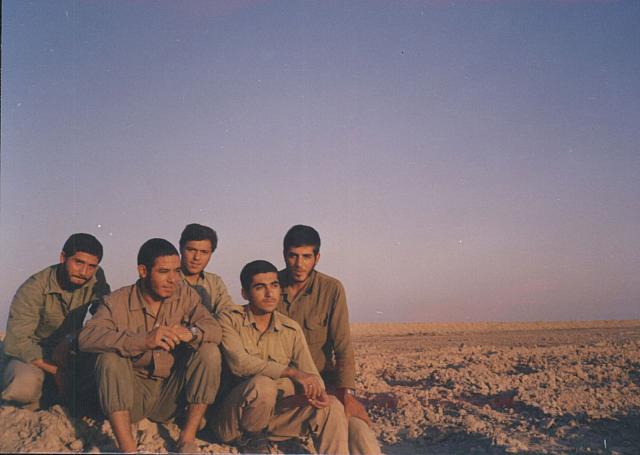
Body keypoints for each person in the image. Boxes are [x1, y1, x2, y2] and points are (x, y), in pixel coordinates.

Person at [78, 238, 222, 454]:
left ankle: (186, 438)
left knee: (209, 351)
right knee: (109, 358)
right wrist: (143, 340)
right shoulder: (116, 301)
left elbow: (214, 328)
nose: (172, 279)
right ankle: (128, 449)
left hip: (169, 395)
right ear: (143, 271)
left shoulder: (185, 295)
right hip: (131, 396)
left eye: (177, 271)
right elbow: (87, 337)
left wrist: (191, 333)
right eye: (163, 272)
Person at [210, 260, 348, 454]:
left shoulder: (290, 328)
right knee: (262, 384)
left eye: (274, 285)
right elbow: (239, 364)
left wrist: (317, 392)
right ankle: (251, 441)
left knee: (331, 405)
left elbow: (311, 375)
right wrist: (291, 372)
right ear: (245, 293)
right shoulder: (229, 319)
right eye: (260, 287)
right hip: (233, 423)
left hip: (272, 419)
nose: (269, 293)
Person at [277, 225, 381, 455]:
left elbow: (342, 347)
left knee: (358, 429)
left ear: (317, 258)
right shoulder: (271, 287)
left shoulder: (331, 289)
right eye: (293, 256)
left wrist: (346, 395)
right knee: (332, 414)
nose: (299, 263)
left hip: (323, 384)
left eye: (306, 256)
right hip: (285, 387)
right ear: (284, 255)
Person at [2, 233, 109, 410]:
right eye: (78, 262)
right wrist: (57, 371)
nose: (84, 272)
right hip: (34, 354)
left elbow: (104, 314)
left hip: (69, 350)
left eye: (91, 266)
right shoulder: (33, 288)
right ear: (63, 258)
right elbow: (16, 343)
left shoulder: (96, 277)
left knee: (104, 372)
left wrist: (70, 339)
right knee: (24, 386)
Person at [179, 223, 234, 316]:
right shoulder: (168, 279)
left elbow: (228, 313)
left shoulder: (214, 282)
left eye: (204, 252)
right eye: (191, 250)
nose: (197, 257)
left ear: (211, 254)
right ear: (181, 249)